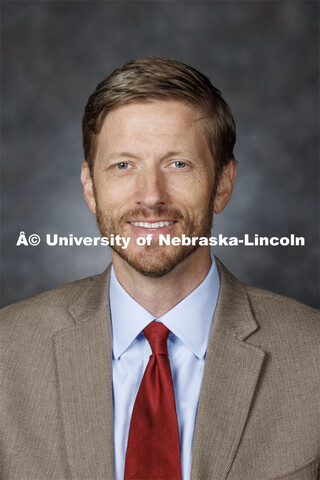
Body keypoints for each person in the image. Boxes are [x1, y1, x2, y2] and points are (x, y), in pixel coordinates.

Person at [1, 57, 319, 480]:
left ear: (223, 185)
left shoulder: (311, 355)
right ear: (90, 188)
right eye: (123, 165)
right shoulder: (8, 350)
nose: (150, 196)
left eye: (178, 164)